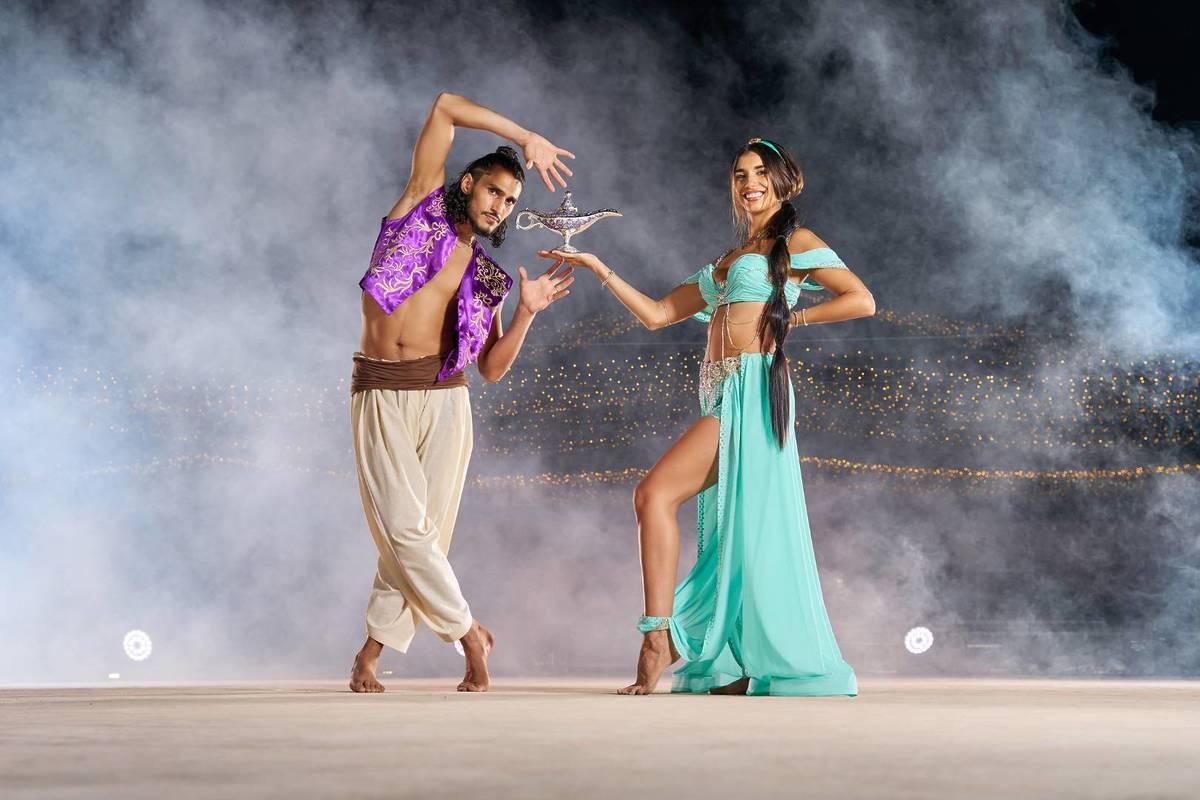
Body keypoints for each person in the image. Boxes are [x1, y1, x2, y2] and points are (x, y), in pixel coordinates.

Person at [541, 138, 874, 696]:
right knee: (732, 531)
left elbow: (861, 299)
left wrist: (794, 321)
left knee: (653, 495)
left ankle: (658, 638)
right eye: (741, 174)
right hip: (721, 395)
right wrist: (597, 266)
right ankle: (731, 653)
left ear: (783, 180)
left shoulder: (795, 244)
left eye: (761, 173)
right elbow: (657, 314)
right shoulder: (727, 261)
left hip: (753, 389)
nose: (749, 183)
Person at [349, 92, 576, 693]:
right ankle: (469, 634)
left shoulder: (489, 277)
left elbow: (492, 369)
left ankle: (370, 654)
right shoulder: (417, 209)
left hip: (447, 401)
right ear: (469, 184)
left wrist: (525, 314)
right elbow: (446, 106)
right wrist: (527, 135)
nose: (500, 206)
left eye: (511, 201)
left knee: (425, 537)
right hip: (382, 390)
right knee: (402, 530)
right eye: (495, 192)